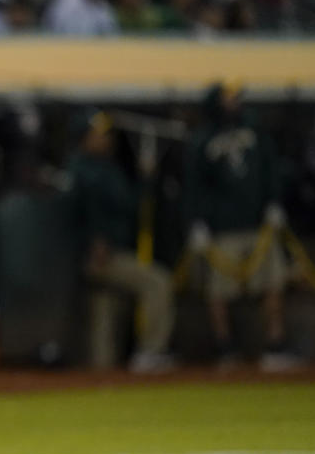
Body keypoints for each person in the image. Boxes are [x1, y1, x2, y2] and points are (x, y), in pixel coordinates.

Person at [186, 82, 292, 371]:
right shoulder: (201, 139)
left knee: (272, 282)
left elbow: (271, 166)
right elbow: (194, 186)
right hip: (221, 228)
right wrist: (197, 222)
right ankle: (224, 348)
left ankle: (275, 344)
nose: (235, 103)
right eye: (228, 98)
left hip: (258, 225)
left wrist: (274, 202)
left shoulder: (254, 130)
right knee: (219, 290)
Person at [68, 108, 176, 372]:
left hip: (108, 252)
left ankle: (102, 372)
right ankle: (151, 352)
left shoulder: (103, 167)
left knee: (106, 309)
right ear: (84, 137)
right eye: (98, 135)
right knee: (157, 282)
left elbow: (129, 204)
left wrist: (144, 179)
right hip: (102, 254)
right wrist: (96, 241)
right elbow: (95, 208)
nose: (106, 139)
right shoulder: (86, 170)